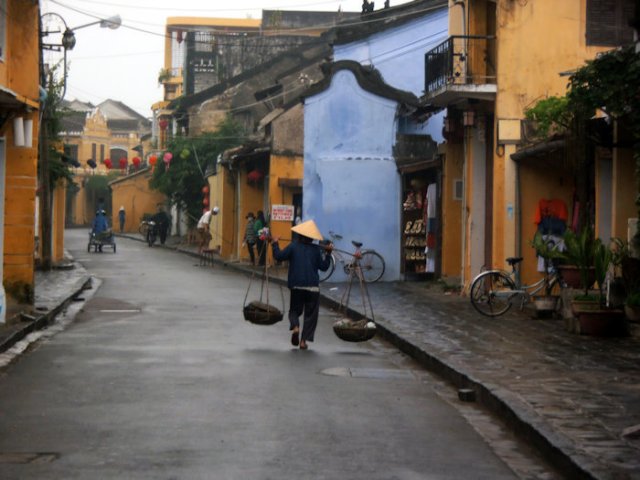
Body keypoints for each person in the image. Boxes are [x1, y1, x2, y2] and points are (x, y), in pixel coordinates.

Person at [271, 219, 332, 350]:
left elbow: (279, 256)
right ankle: (303, 341)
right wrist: (328, 254)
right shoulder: (316, 250)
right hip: (313, 288)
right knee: (311, 316)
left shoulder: (293, 246)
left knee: (294, 311)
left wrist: (275, 243)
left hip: (297, 286)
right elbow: (324, 267)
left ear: (299, 235)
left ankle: (296, 327)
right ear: (311, 238)